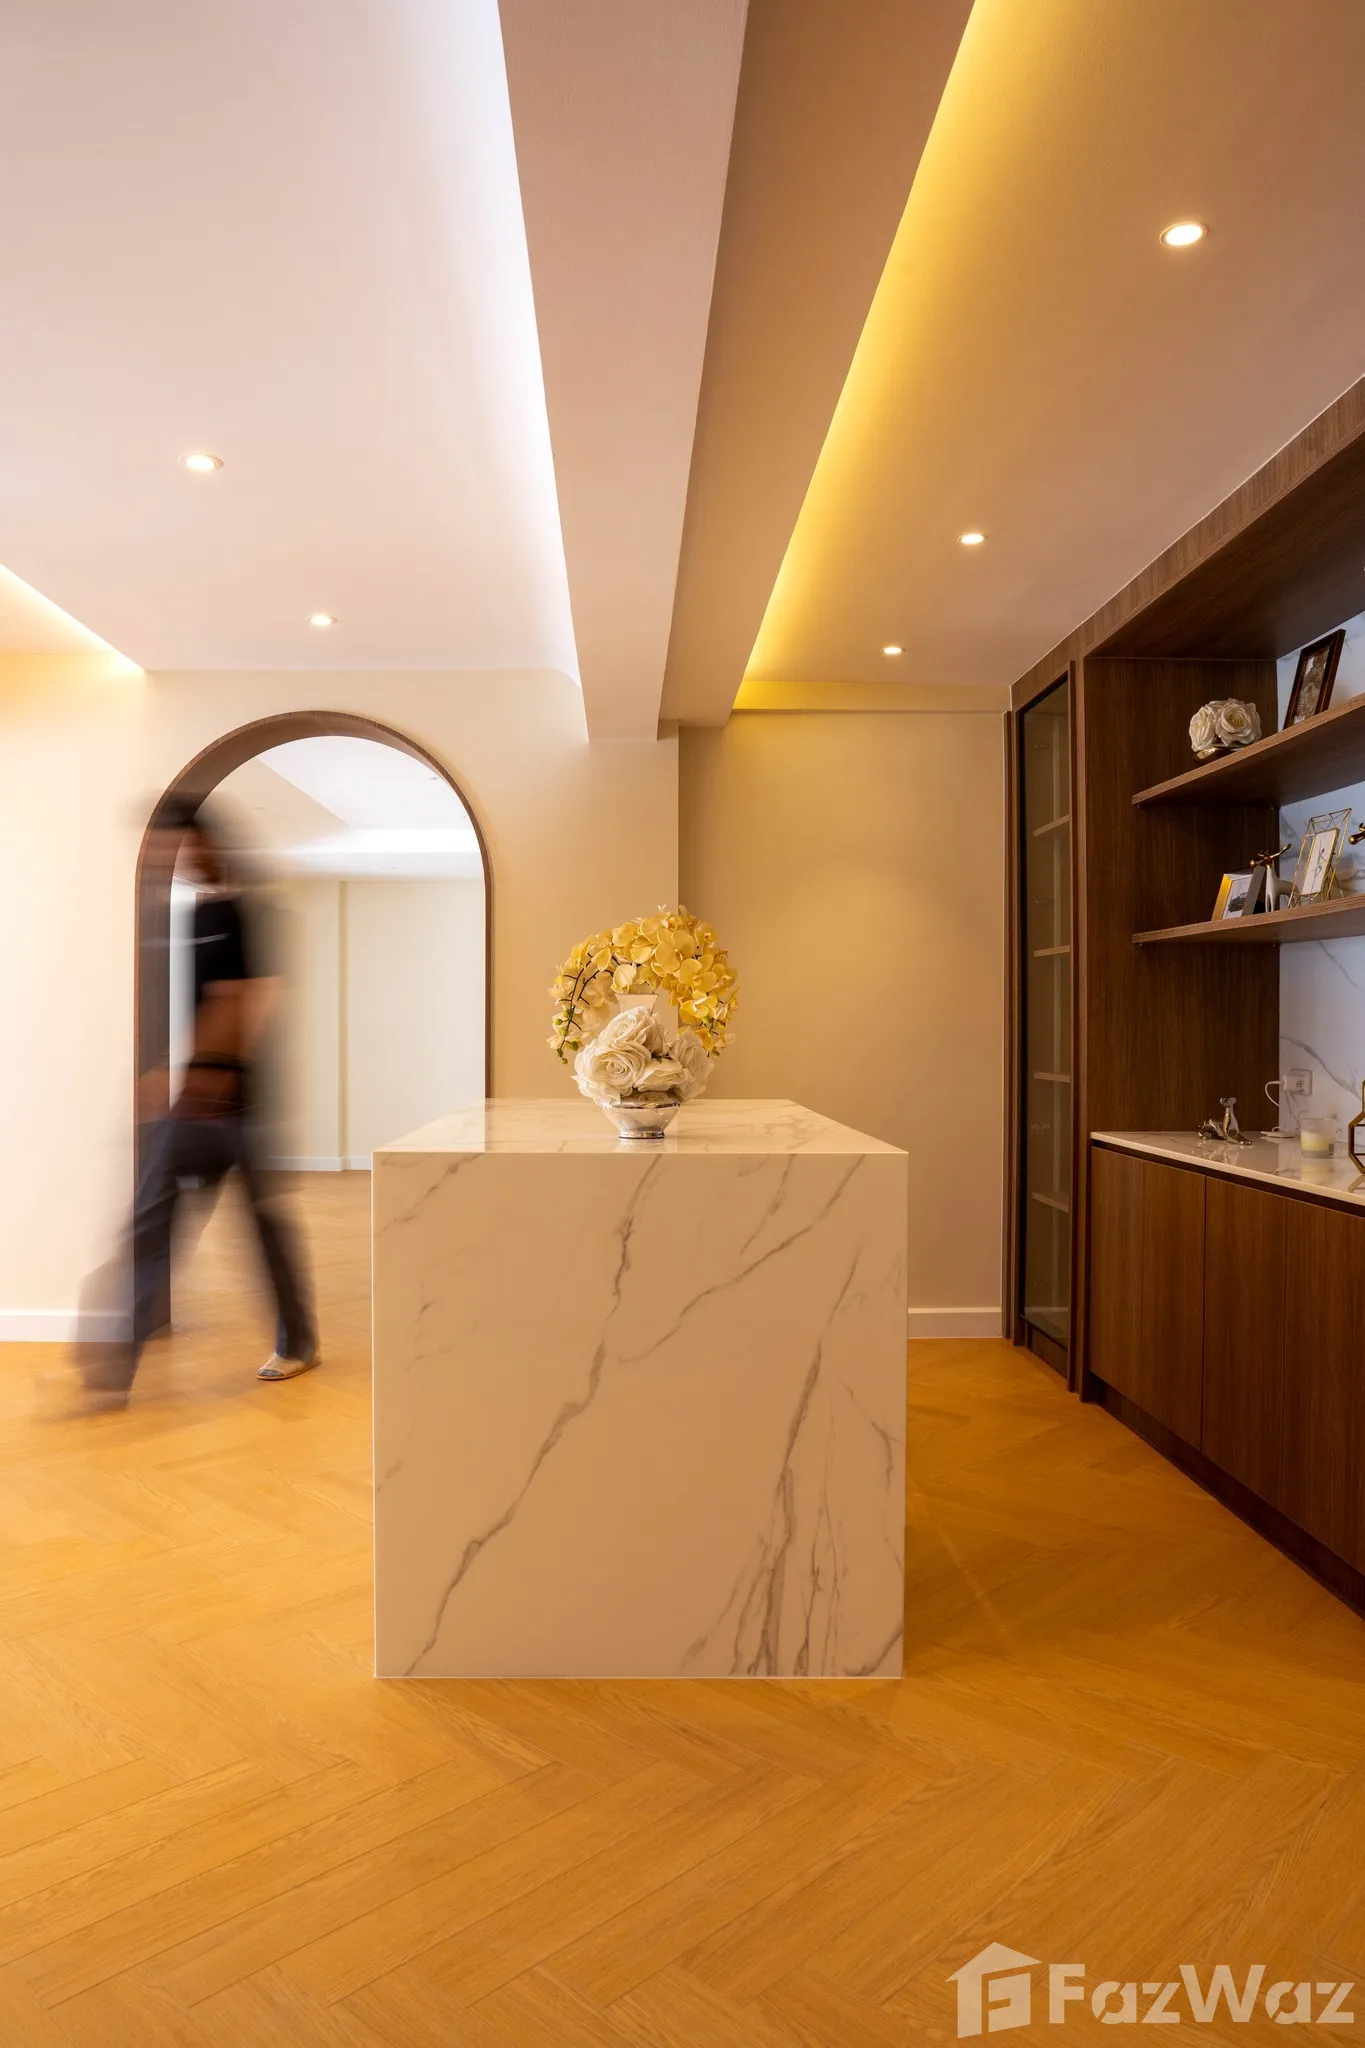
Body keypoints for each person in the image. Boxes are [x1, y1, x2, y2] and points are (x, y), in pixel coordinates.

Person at [85, 797, 318, 1402]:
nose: (179, 862)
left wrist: (219, 1071)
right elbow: (202, 1004)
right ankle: (113, 1368)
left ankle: (297, 1343)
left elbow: (254, 999)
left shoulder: (249, 911)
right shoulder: (196, 915)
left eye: (183, 848)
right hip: (193, 1101)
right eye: (169, 854)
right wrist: (170, 1074)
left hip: (242, 1107)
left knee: (264, 1231)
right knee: (149, 1223)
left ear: (208, 842)